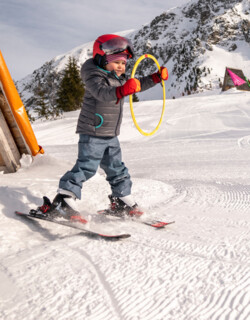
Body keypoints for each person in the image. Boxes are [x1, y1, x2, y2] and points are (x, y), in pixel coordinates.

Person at [39, 34, 168, 221]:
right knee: (87, 167)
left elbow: (137, 84)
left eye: (123, 63)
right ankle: (64, 198)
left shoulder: (120, 78)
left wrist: (156, 78)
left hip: (110, 133)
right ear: (101, 59)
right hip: (92, 131)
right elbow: (102, 93)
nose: (121, 67)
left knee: (117, 168)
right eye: (116, 62)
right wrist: (123, 90)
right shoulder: (93, 75)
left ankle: (122, 199)